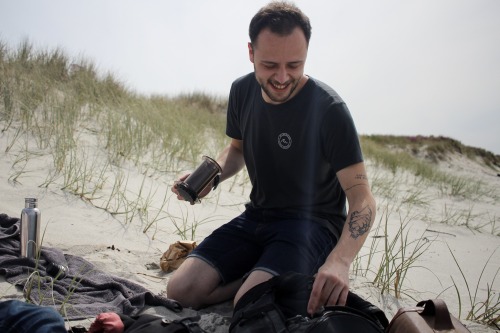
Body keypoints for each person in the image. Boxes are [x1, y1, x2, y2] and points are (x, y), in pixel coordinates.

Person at [168, 1, 376, 316]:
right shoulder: (241, 91)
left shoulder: (330, 110)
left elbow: (363, 201)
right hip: (257, 217)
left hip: (312, 225)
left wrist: (340, 261)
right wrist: (212, 175)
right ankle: (259, 273)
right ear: (251, 52)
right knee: (181, 290)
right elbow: (237, 149)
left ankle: (269, 278)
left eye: (294, 65)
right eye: (269, 65)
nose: (282, 77)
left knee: (252, 306)